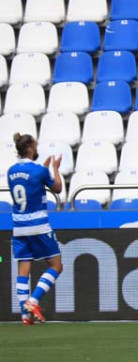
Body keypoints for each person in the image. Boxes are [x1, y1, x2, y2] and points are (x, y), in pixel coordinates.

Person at [9, 133, 63, 325]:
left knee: (23, 270)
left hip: (19, 226)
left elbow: (29, 186)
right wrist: (54, 169)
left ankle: (25, 316)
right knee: (56, 265)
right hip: (38, 225)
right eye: (35, 145)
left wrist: (44, 169)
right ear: (30, 149)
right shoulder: (39, 170)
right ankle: (32, 301)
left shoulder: (11, 171)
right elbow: (57, 188)